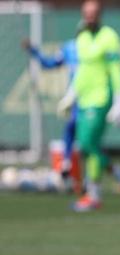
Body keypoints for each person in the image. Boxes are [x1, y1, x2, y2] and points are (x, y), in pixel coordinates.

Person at [72, 0, 120, 211]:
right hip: (84, 98)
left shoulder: (109, 36)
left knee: (87, 144)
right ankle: (119, 181)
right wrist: (70, 94)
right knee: (90, 147)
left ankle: (96, 193)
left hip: (101, 98)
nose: (89, 17)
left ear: (99, 14)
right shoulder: (81, 37)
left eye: (93, 13)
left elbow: (116, 71)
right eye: (86, 13)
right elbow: (81, 71)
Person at [22, 35, 81, 192]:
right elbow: (49, 63)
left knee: (86, 139)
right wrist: (33, 51)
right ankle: (67, 166)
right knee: (70, 130)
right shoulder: (70, 47)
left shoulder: (97, 48)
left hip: (93, 99)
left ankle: (79, 176)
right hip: (75, 99)